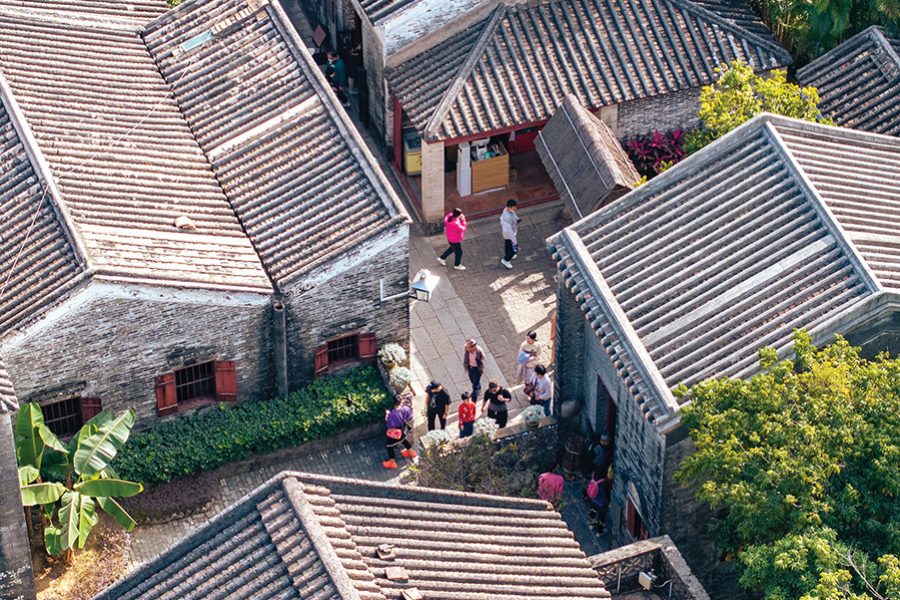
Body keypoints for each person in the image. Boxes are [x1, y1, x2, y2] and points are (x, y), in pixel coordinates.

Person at [383, 397, 415, 469]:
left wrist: (387, 416)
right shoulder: (405, 409)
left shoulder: (391, 414)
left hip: (395, 432)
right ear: (401, 401)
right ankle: (411, 452)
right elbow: (410, 416)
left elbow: (389, 425)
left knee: (389, 446)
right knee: (403, 440)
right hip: (404, 429)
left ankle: (392, 462)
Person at [499, 198, 519, 269]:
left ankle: (508, 255)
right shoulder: (507, 217)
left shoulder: (507, 210)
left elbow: (514, 216)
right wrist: (514, 241)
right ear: (510, 207)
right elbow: (509, 230)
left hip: (507, 234)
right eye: (514, 207)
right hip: (510, 235)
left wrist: (517, 220)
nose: (516, 208)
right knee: (515, 249)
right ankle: (506, 260)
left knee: (507, 245)